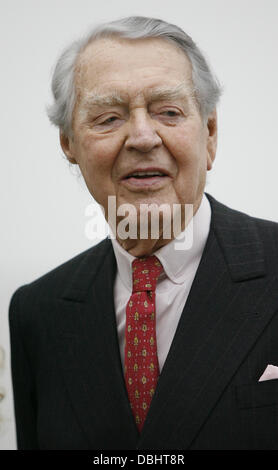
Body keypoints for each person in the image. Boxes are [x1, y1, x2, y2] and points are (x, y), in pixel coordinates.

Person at [9, 16, 278, 450]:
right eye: (108, 117)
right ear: (68, 144)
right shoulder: (37, 312)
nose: (141, 136)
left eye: (168, 112)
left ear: (210, 133)